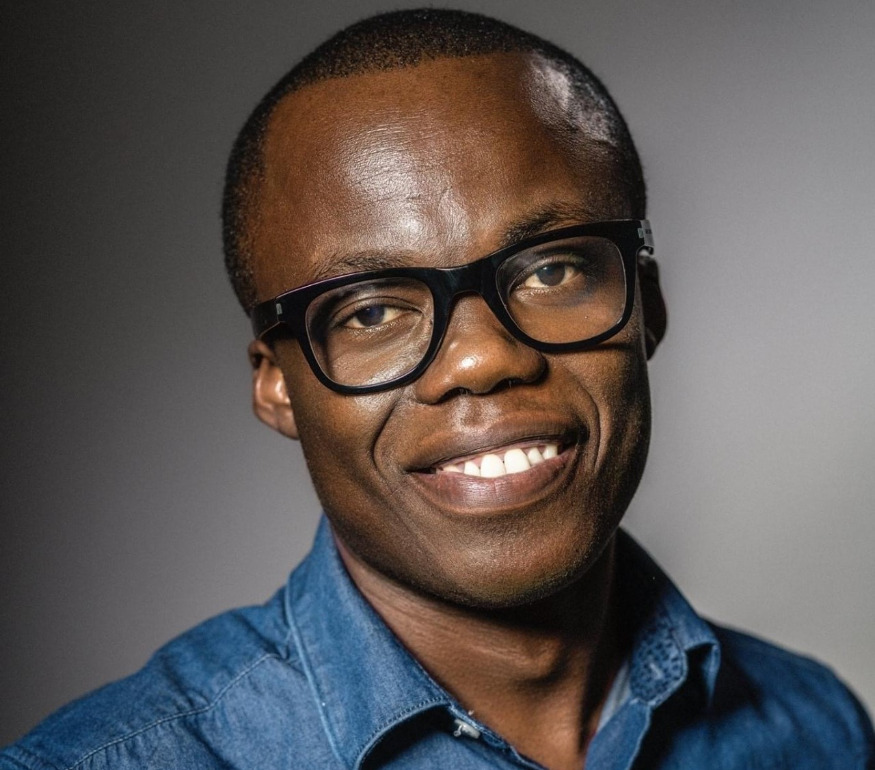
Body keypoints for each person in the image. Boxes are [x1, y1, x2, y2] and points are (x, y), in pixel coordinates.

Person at [2, 8, 872, 770]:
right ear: (276, 385)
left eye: (551, 269)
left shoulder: (816, 730)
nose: (480, 360)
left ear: (645, 301)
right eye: (372, 310)